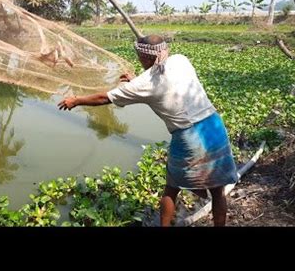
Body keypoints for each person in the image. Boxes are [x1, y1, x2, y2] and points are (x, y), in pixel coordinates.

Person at [58, 34, 238, 226]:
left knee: (171, 188)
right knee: (218, 190)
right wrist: (136, 80)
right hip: (214, 127)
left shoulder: (143, 84)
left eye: (139, 55)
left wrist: (76, 100)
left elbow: (104, 98)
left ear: (144, 58)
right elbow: (164, 83)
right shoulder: (180, 60)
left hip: (189, 136)